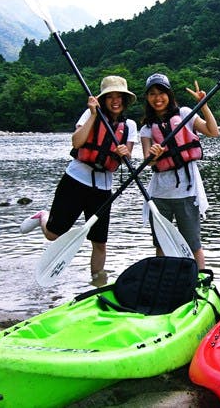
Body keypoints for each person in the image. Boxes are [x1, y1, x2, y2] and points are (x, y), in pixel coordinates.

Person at [20, 75, 138, 285]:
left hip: (103, 188)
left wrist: (124, 152)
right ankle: (42, 217)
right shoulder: (91, 113)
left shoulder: (130, 125)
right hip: (75, 180)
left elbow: (127, 155)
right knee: (54, 235)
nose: (115, 101)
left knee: (99, 242)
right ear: (103, 99)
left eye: (119, 96)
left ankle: (97, 284)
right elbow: (77, 141)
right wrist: (93, 114)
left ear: (125, 99)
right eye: (110, 97)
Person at [140, 73, 220, 269]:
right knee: (161, 245)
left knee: (193, 244)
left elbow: (213, 132)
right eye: (152, 94)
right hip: (159, 195)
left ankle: (202, 283)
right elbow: (148, 163)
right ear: (147, 98)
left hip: (187, 191)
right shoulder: (147, 128)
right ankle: (161, 279)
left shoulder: (184, 114)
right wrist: (155, 154)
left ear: (169, 94)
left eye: (161, 93)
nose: (157, 98)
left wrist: (204, 105)